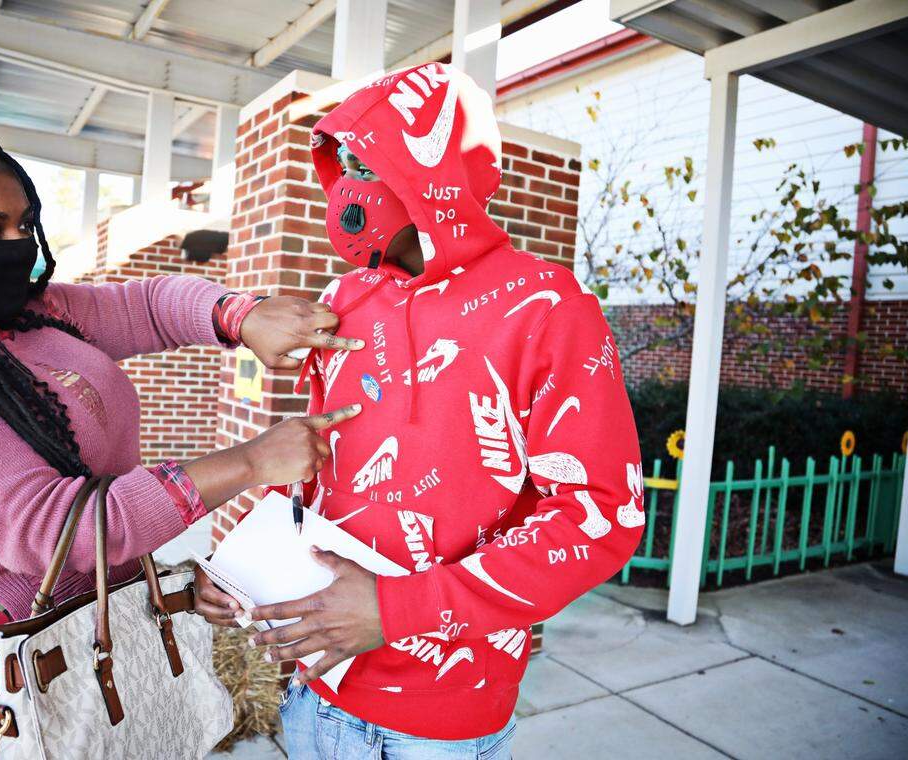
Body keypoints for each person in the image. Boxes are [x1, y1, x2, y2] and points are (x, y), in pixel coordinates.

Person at [0, 127, 362, 760]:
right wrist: (249, 462)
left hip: (99, 647)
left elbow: (150, 304)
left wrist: (240, 314)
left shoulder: (34, 311)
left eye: (24, 226)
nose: (16, 248)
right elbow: (63, 531)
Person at [197, 63, 645, 757]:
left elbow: (600, 517)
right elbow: (317, 472)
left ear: (432, 170)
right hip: (315, 693)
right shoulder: (343, 298)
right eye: (341, 159)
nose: (347, 182)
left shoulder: (547, 307)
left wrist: (398, 610)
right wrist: (247, 576)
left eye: (368, 159)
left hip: (442, 721)